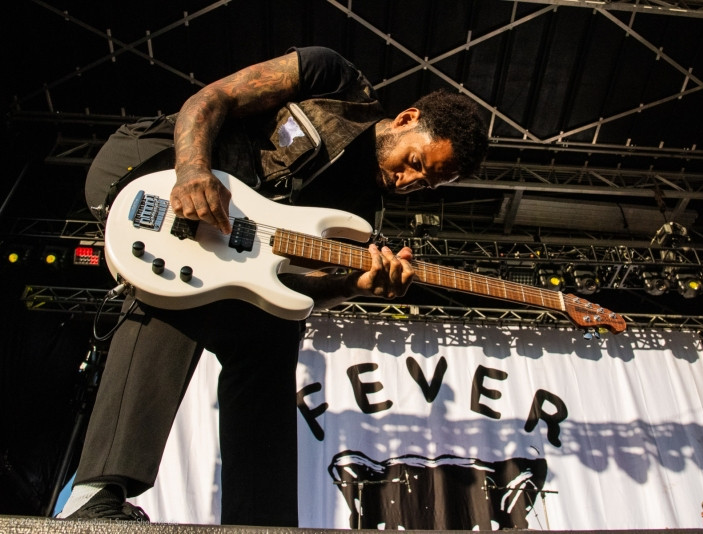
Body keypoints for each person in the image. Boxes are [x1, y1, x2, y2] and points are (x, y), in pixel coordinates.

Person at [57, 46, 487, 526]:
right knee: (174, 299)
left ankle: (260, 521)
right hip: (153, 167)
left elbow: (296, 287)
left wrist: (356, 284)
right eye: (416, 162)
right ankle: (94, 494)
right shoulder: (335, 81)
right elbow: (212, 99)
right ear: (407, 118)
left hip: (223, 248)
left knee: (272, 337)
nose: (409, 181)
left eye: (425, 184)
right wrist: (193, 170)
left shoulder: (361, 219)